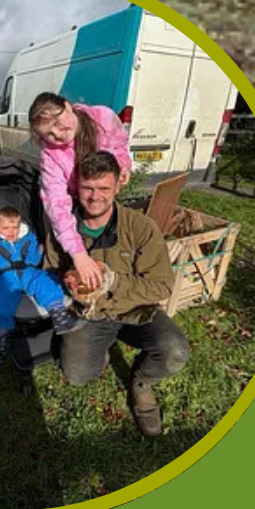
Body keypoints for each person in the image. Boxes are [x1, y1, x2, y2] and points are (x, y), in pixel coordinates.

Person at [58, 150, 190, 436]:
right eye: (87, 188)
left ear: (118, 186)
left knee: (175, 351)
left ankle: (142, 381)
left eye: (104, 188)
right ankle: (99, 350)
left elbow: (161, 285)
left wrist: (112, 280)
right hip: (89, 314)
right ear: (77, 186)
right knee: (78, 376)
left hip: (134, 311)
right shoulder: (63, 226)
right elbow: (48, 269)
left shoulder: (141, 227)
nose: (95, 197)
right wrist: (66, 279)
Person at [28, 92, 132, 291]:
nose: (57, 135)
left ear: (68, 107)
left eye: (58, 123)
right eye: (48, 134)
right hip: (73, 205)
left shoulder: (103, 118)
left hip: (100, 198)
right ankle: (58, 294)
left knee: (108, 240)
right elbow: (56, 203)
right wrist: (78, 254)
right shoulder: (51, 155)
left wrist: (123, 165)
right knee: (63, 256)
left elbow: (119, 144)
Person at [0, 204, 77, 363]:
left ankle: (58, 314)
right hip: (5, 276)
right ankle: (3, 334)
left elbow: (34, 261)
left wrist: (38, 252)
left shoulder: (27, 238)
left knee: (45, 280)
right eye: (6, 228)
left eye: (14, 227)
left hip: (28, 271)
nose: (11, 231)